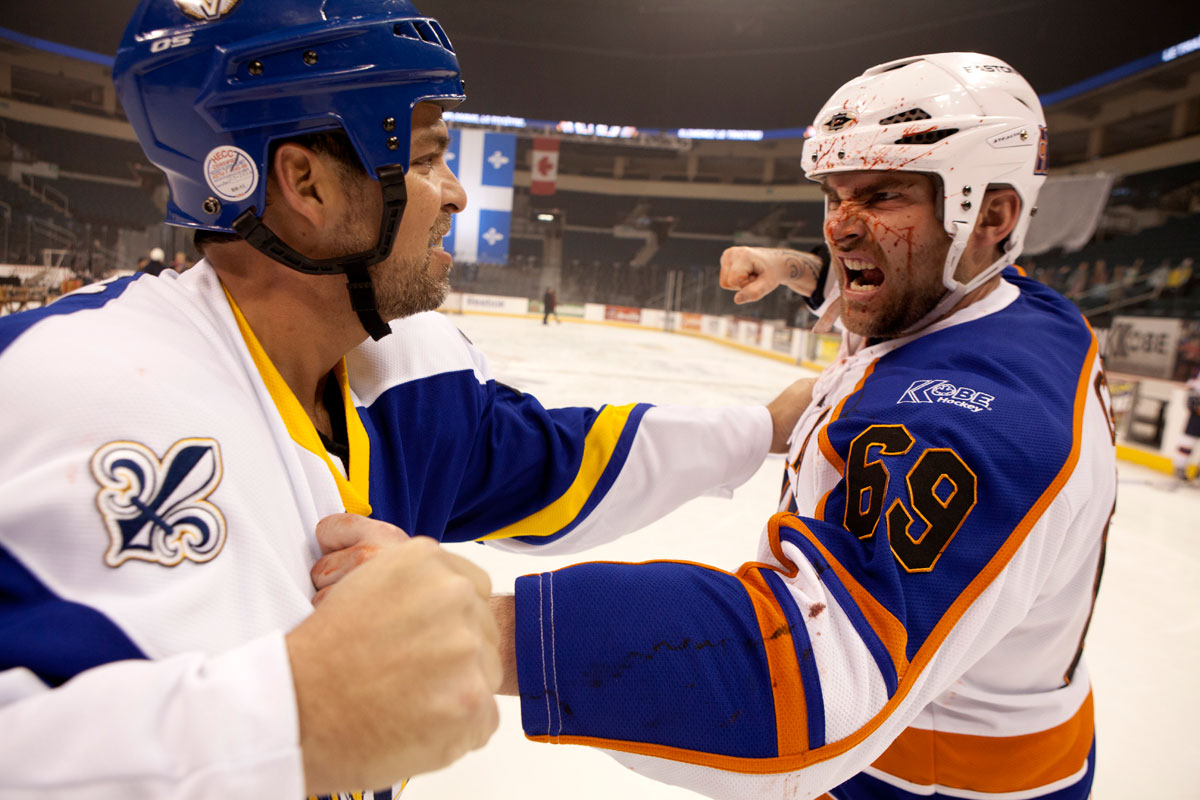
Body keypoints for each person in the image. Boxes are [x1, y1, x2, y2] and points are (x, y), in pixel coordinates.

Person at [0, 1, 810, 797]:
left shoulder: (411, 370)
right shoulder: (53, 384)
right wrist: (289, 720)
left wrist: (762, 427)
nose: (455, 194)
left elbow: (562, 464)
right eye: (426, 159)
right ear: (306, 184)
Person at [325, 53, 1115, 799]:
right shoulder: (1015, 311)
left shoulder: (977, 424)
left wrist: (479, 631)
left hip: (922, 780)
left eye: (881, 197)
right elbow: (911, 288)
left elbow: (806, 680)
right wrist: (797, 271)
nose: (840, 228)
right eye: (834, 195)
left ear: (993, 215)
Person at [1172, 366, 1200, 482]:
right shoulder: (1197, 372)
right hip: (1196, 416)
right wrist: (1196, 407)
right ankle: (1180, 467)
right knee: (1187, 442)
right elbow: (1191, 392)